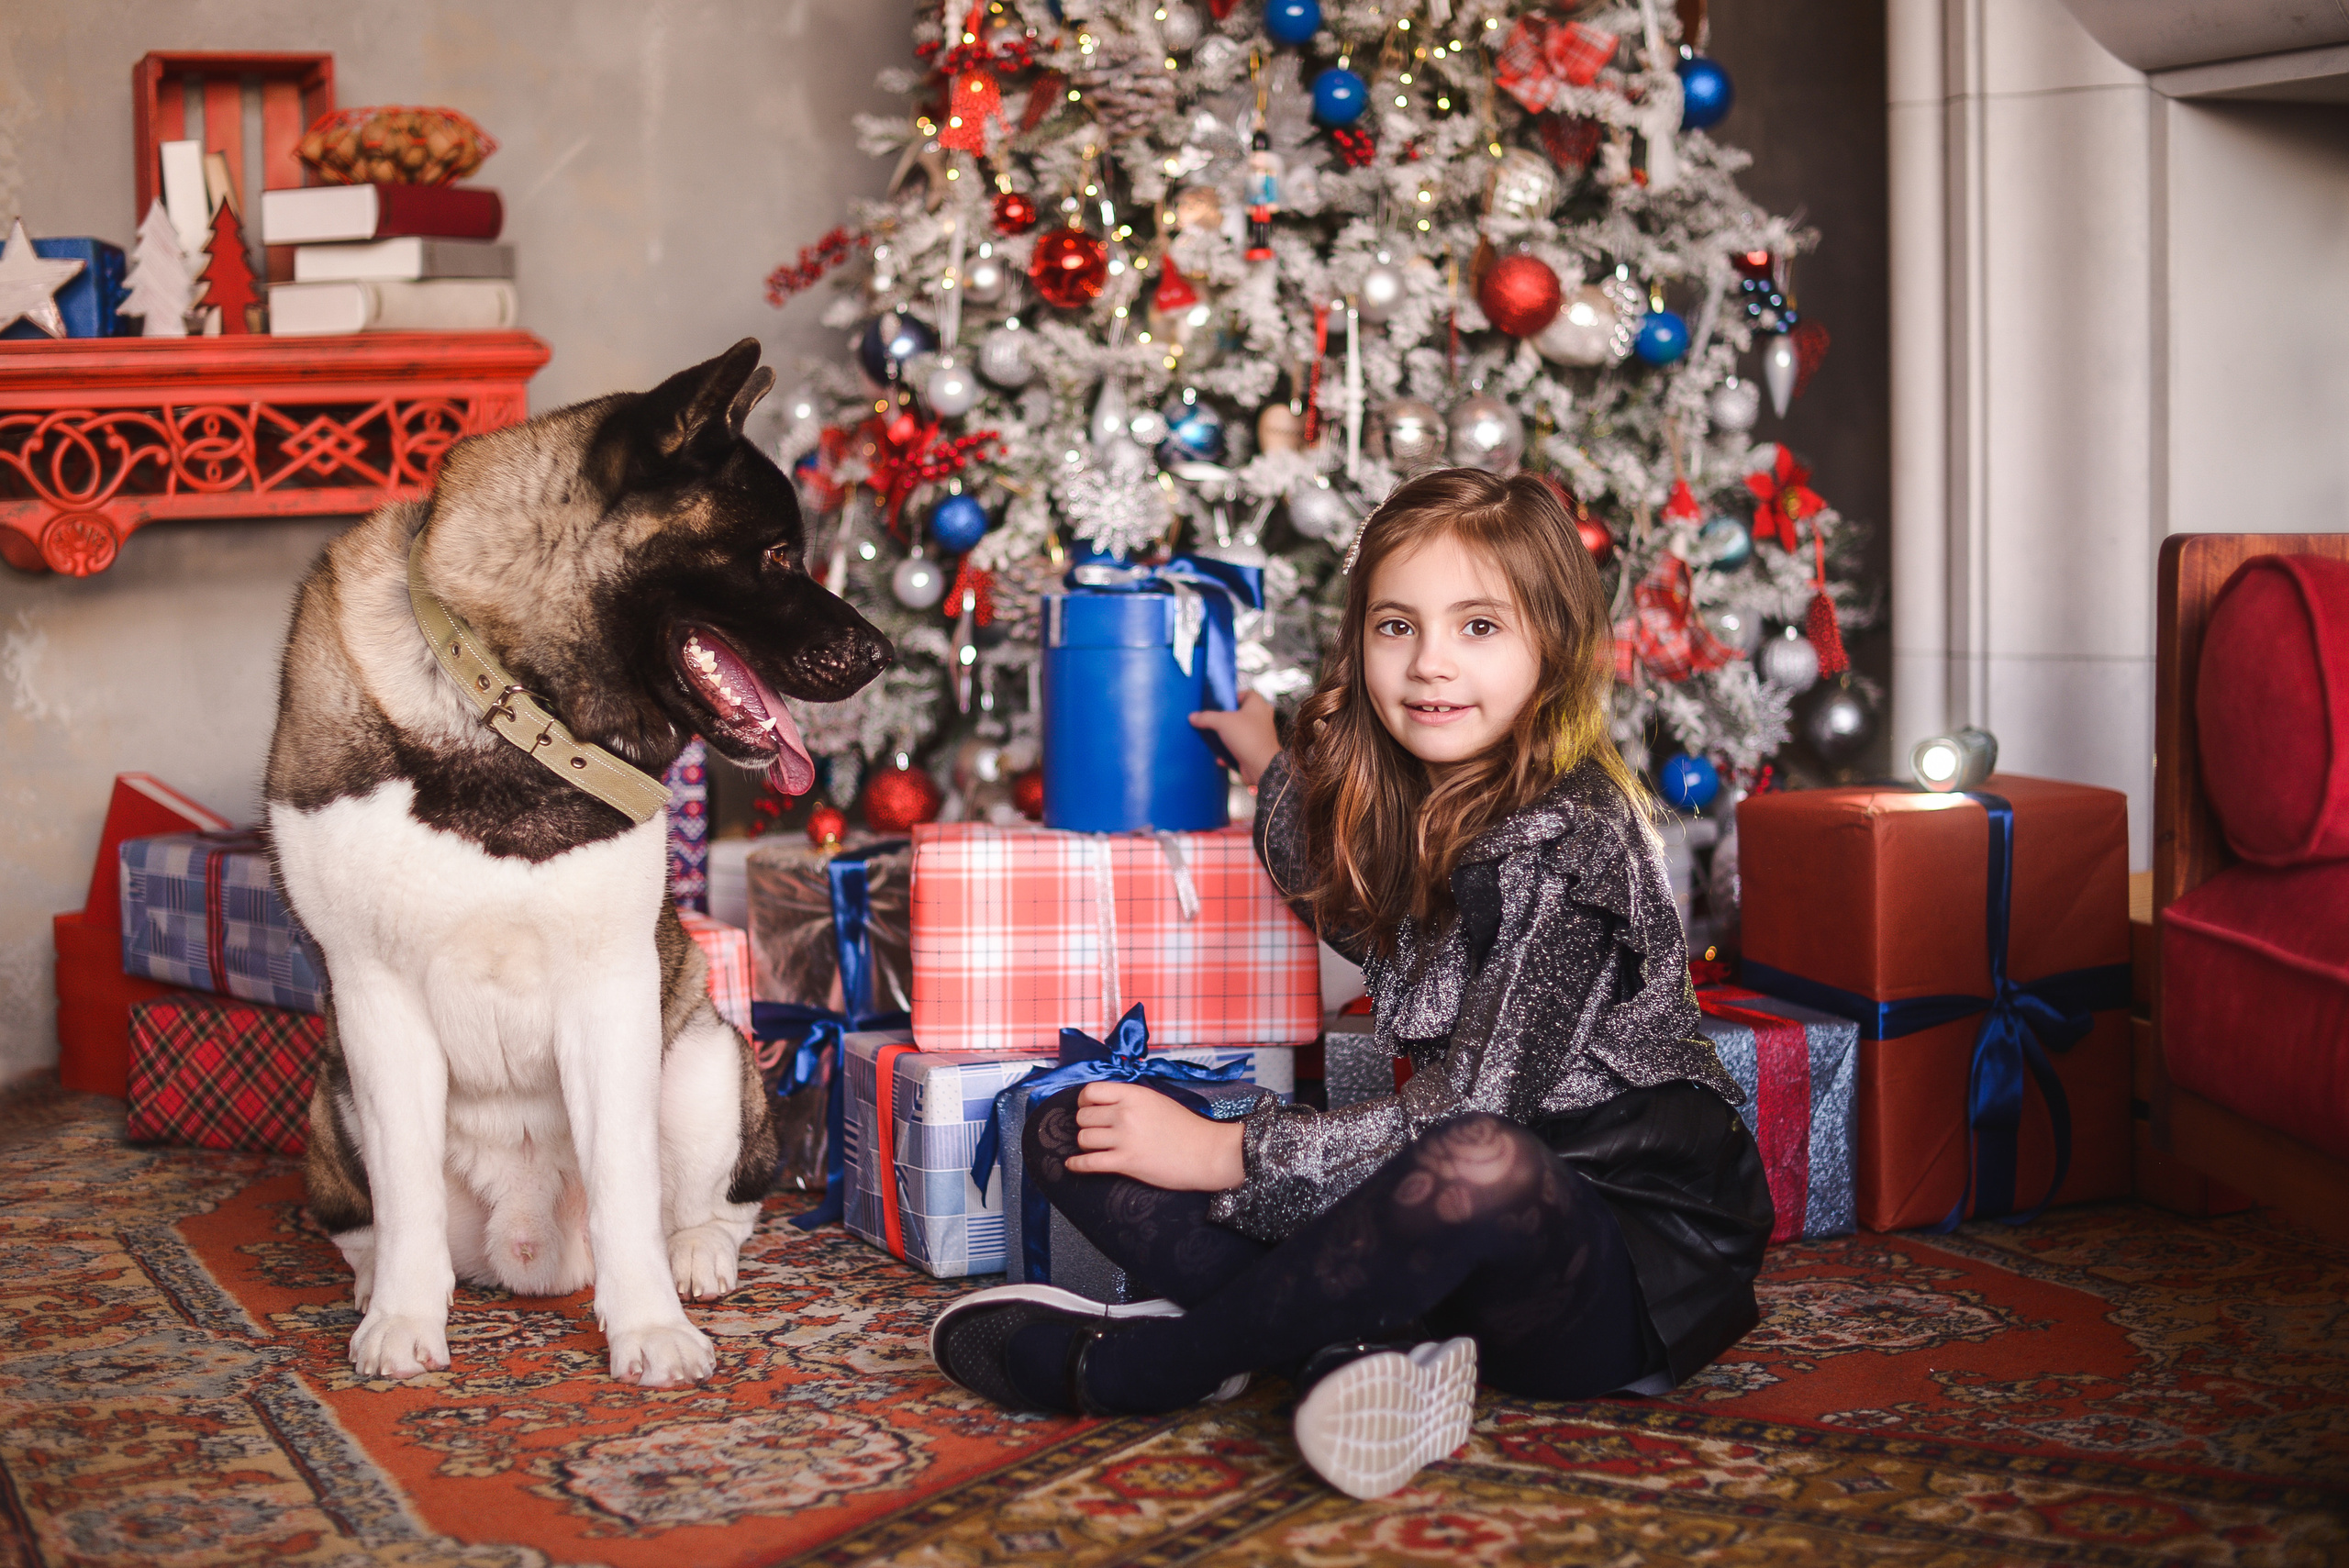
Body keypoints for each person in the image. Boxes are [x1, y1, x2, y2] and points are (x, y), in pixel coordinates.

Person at [929, 468, 1772, 1500]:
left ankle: (1157, 1364)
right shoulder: (1408, 792)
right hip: (1420, 1219)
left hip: (1607, 1253)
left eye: (1476, 627)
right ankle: (1347, 1347)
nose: (1428, 665)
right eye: (1393, 626)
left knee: (1477, 1158)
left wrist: (1224, 1150)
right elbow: (1321, 870)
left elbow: (1473, 1111)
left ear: (1552, 643)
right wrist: (1262, 755)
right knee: (1069, 1123)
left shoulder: (1570, 839)